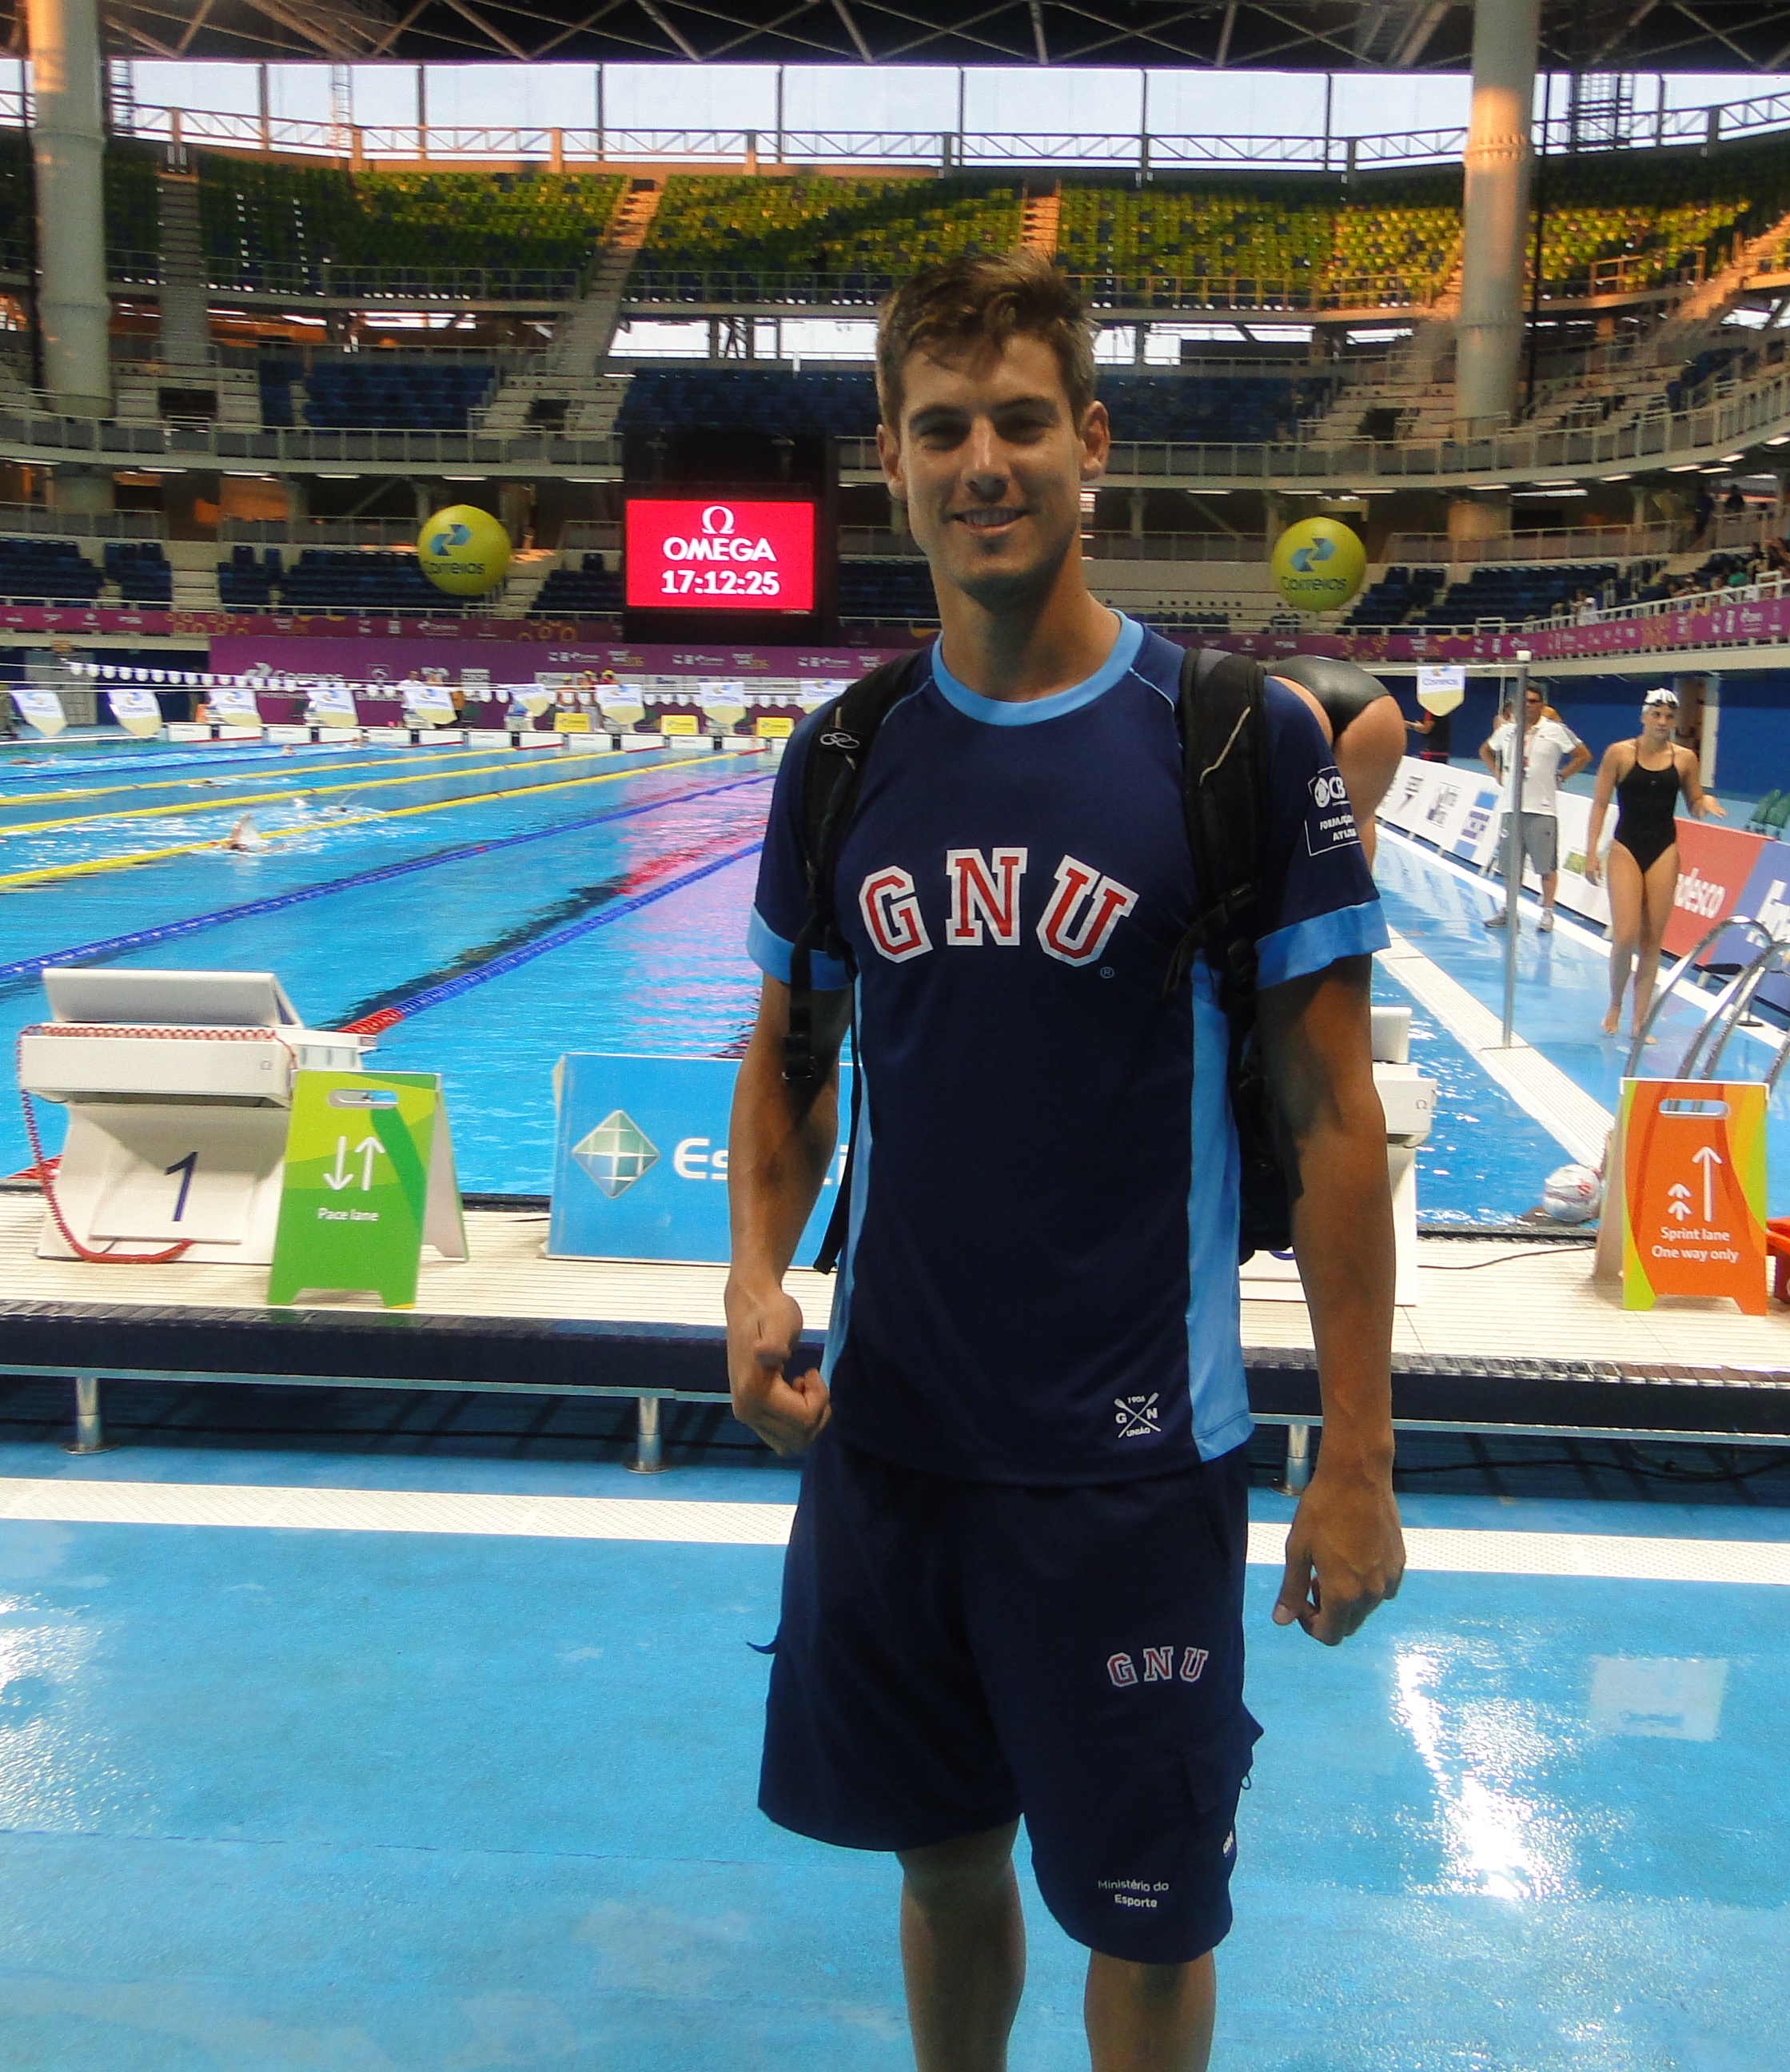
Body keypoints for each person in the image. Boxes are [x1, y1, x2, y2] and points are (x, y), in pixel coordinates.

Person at [724, 250, 1402, 2072]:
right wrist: (751, 1276)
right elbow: (787, 1058)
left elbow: (1334, 1118)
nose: (983, 463)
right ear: (889, 459)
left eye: (1019, 421)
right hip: (894, 1456)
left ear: (1090, 442)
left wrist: (1354, 1458)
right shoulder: (844, 755)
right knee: (944, 1868)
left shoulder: (1228, 740)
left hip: (1129, 1472)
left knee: (1146, 1921)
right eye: (941, 428)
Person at [1584, 686, 1726, 1039]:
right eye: (1656, 715)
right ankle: (1616, 1003)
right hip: (1625, 848)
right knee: (1625, 936)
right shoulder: (1619, 753)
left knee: (1651, 942)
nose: (1662, 722)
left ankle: (1639, 1020)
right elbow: (1599, 803)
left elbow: (1693, 804)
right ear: (1643, 716)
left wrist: (1704, 803)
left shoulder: (1685, 759)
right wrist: (1591, 853)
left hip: (1664, 850)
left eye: (1669, 717)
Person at [1266, 653, 1409, 866]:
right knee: (1351, 831)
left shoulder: (1265, 684)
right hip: (1377, 703)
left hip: (1296, 694)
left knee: (1277, 842)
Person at [1481, 681, 1590, 932]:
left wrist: (1561, 776)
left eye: (1533, 701)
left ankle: (1548, 913)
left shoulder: (1555, 730)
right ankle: (1510, 910)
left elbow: (1583, 755)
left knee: (1546, 867)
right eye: (1523, 701)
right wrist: (1497, 773)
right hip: (1511, 808)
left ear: (1542, 705)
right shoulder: (1507, 731)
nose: (1527, 706)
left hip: (1542, 809)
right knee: (1511, 866)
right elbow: (1486, 750)